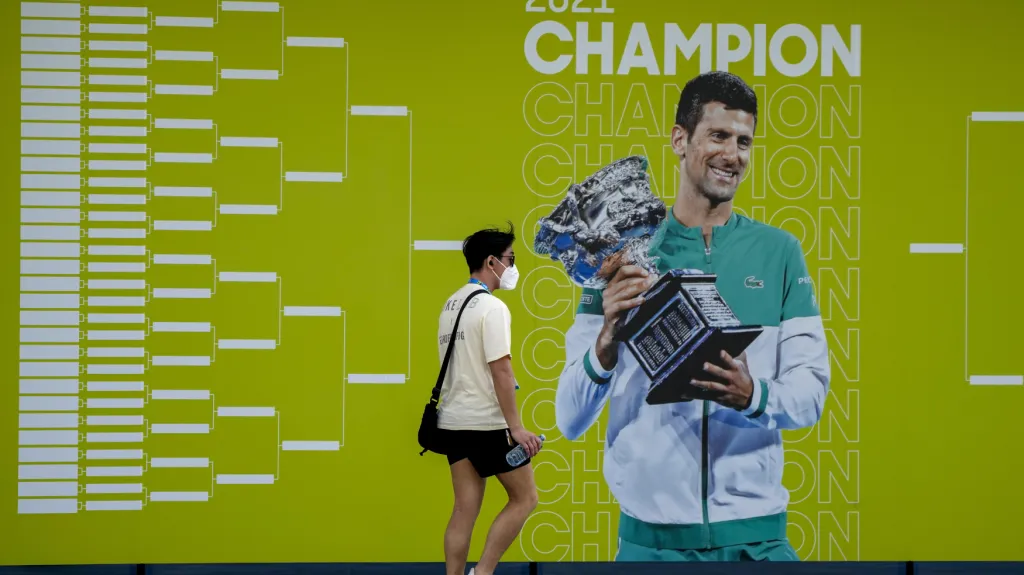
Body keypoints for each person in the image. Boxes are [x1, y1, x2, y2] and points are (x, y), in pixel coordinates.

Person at [554, 71, 830, 562]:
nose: (733, 154)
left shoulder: (780, 252)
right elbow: (570, 420)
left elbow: (811, 396)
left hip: (757, 539)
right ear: (680, 140)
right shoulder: (620, 255)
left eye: (744, 141)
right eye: (719, 136)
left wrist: (754, 396)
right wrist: (606, 343)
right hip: (651, 545)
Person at [436, 223, 542, 575]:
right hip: (487, 423)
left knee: (464, 509)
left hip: (452, 422)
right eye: (511, 259)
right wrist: (517, 428)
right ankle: (482, 572)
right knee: (525, 498)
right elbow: (501, 372)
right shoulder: (492, 308)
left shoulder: (451, 304)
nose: (513, 267)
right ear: (492, 261)